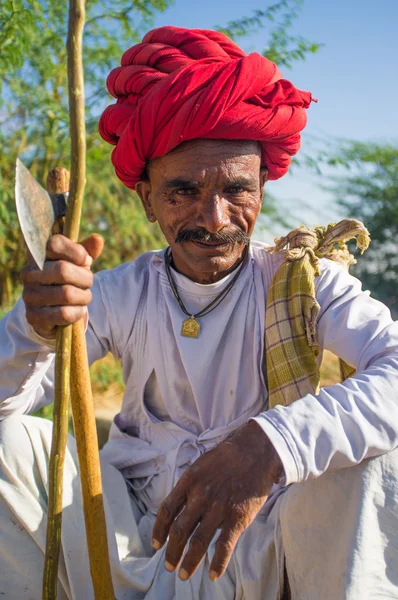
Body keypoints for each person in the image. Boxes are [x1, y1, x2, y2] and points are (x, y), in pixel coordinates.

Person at [1, 25, 398, 600]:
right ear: (146, 197)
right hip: (125, 547)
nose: (213, 219)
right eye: (182, 191)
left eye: (237, 190)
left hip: (265, 551)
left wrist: (269, 445)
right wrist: (32, 329)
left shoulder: (301, 283)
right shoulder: (118, 292)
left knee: (377, 457)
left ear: (262, 186)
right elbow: (9, 404)